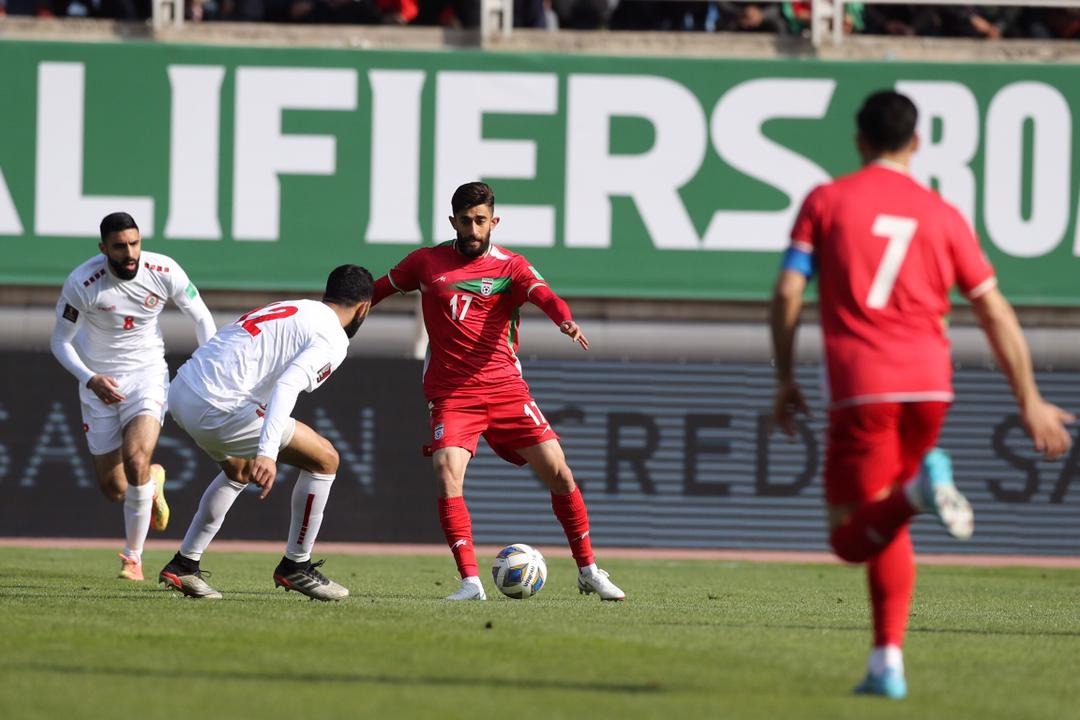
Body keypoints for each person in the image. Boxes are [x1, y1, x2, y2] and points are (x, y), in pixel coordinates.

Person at [769, 90, 1074, 700]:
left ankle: (917, 494)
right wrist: (1030, 398)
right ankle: (887, 661)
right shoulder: (943, 213)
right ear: (916, 143)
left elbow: (785, 294)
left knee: (848, 536)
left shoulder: (826, 201)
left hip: (863, 387)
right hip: (932, 385)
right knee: (893, 520)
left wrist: (784, 378)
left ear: (859, 141)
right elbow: (993, 310)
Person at [371, 181, 626, 602]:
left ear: (494, 221)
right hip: (452, 393)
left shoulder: (511, 266)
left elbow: (544, 295)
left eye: (481, 220)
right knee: (446, 473)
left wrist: (564, 319)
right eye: (465, 221)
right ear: (452, 221)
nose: (473, 229)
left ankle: (588, 570)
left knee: (559, 473)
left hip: (506, 388)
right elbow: (379, 289)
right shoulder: (425, 262)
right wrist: (342, 319)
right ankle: (470, 582)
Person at [158, 264, 373, 601]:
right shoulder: (333, 336)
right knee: (325, 459)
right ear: (364, 307)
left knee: (237, 471)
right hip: (219, 406)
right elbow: (288, 385)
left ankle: (184, 565)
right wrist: (268, 453)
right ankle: (296, 565)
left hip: (181, 390)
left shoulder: (298, 307)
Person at [50, 212, 217, 581]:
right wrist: (90, 378)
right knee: (114, 488)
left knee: (136, 457)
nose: (129, 253)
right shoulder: (83, 282)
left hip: (147, 376)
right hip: (99, 384)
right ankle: (152, 483)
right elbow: (59, 341)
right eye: (120, 246)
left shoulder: (163, 269)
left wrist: (208, 369)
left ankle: (133, 558)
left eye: (134, 243)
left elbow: (202, 317)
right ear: (103, 248)